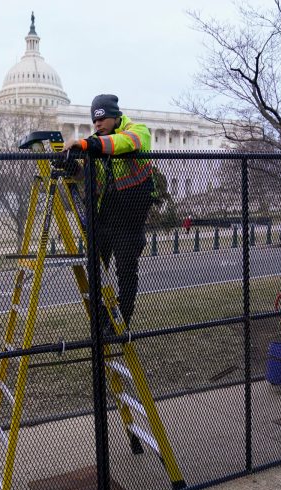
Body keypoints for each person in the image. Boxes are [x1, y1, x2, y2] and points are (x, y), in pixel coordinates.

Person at [63, 94, 157, 331]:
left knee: (126, 271)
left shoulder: (138, 131)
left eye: (102, 119)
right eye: (94, 121)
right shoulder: (96, 141)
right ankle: (102, 321)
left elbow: (124, 143)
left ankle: (121, 321)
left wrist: (87, 145)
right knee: (94, 269)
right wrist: (73, 167)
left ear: (116, 117)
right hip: (106, 215)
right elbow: (89, 178)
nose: (97, 124)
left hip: (131, 215)